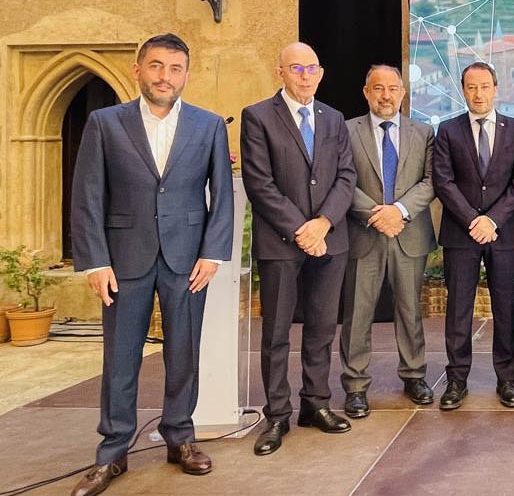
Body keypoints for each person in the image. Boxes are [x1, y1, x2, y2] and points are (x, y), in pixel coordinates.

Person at [69, 33, 233, 496]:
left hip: (187, 261)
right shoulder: (105, 123)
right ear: (137, 70)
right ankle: (112, 453)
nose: (166, 76)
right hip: (123, 260)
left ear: (186, 74)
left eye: (176, 68)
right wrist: (94, 261)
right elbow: (86, 197)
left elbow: (220, 196)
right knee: (120, 358)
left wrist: (212, 252)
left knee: (185, 353)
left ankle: (180, 437)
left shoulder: (208, 125)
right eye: (157, 66)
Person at [240, 42, 356, 456]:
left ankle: (315, 404)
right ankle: (276, 416)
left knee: (322, 328)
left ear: (320, 73)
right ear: (280, 72)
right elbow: (259, 183)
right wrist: (300, 229)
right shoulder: (257, 117)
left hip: (330, 239)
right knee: (275, 334)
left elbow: (346, 175)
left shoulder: (334, 118)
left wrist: (323, 223)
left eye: (311, 68)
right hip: (280, 243)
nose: (304, 75)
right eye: (296, 68)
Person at [340, 64, 437, 417]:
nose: (386, 95)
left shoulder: (423, 132)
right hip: (363, 233)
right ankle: (355, 386)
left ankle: (414, 376)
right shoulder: (346, 131)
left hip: (408, 232)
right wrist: (376, 214)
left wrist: (398, 211)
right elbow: (342, 180)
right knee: (357, 313)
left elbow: (430, 181)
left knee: (410, 310)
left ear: (403, 92)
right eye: (378, 88)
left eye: (393, 88)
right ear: (366, 92)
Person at [432, 62, 514, 410]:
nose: (479, 93)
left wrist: (493, 220)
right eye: (472, 87)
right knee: (459, 308)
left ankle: (507, 379)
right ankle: (457, 380)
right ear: (463, 90)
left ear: (496, 88)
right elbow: (443, 181)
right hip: (461, 233)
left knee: (505, 307)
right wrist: (474, 219)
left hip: (502, 234)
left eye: (485, 86)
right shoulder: (447, 130)